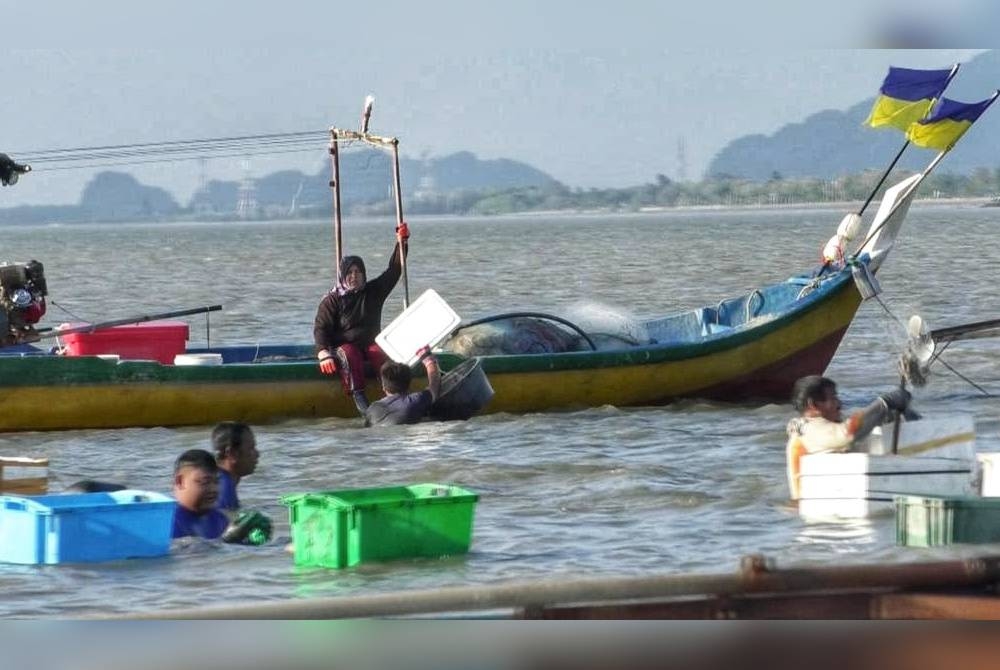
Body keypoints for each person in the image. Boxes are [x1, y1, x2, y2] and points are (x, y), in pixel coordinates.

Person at [313, 222, 410, 415]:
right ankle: (362, 402)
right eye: (349, 272)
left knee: (378, 351)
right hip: (344, 349)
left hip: (370, 344)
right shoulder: (332, 300)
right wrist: (323, 353)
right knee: (350, 353)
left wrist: (402, 243)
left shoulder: (373, 291)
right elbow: (321, 328)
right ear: (342, 276)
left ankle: (394, 397)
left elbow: (394, 270)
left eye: (358, 272)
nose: (354, 276)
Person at [785, 375, 912, 500]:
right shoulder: (806, 428)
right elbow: (847, 433)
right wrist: (885, 403)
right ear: (813, 405)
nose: (840, 403)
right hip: (810, 507)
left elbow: (853, 432)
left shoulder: (821, 428)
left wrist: (884, 417)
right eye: (833, 398)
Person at [364, 346, 441, 427]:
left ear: (383, 387)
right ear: (409, 385)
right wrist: (427, 358)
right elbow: (434, 385)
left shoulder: (372, 409)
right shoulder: (415, 401)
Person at [170, 449, 230, 540]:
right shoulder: (167, 524)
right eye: (205, 482)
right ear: (180, 482)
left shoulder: (219, 520)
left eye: (216, 482)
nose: (213, 489)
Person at [211, 421, 258, 512]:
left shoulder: (217, 479)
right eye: (251, 448)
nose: (257, 454)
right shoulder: (223, 488)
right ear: (231, 453)